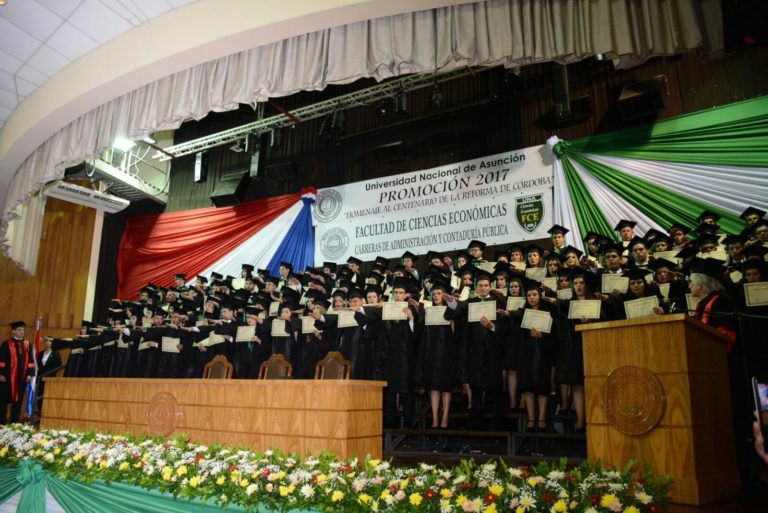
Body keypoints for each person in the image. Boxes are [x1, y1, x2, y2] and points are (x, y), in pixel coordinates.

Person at [0, 321, 36, 424]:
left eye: (23, 330)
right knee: (3, 400)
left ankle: (14, 423)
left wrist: (30, 374)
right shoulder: (6, 344)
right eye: (19, 330)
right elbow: (1, 360)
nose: (22, 332)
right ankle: (1, 422)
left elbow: (31, 361)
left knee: (18, 401)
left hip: (21, 377)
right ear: (13, 331)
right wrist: (1, 374)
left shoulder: (27, 344)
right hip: (7, 377)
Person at [36, 336, 62, 407]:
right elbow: (38, 365)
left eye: (49, 341)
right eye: (46, 341)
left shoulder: (56, 353)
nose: (48, 342)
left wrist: (52, 373)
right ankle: (39, 412)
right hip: (40, 377)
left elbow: (59, 365)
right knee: (40, 394)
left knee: (48, 394)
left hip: (50, 378)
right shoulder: (40, 354)